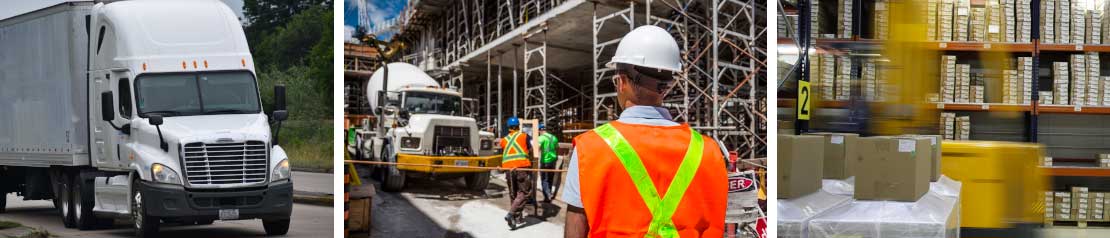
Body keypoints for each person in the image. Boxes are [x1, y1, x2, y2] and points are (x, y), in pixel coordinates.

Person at [561, 25, 730, 238]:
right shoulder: (709, 150)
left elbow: (576, 226)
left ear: (621, 82)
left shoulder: (590, 148)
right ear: (667, 86)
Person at [500, 116, 533, 230]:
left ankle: (516, 219)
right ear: (518, 126)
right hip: (521, 167)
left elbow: (505, 153)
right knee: (524, 193)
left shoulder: (504, 140)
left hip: (508, 170)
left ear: (508, 127)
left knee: (513, 194)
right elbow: (531, 150)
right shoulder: (524, 136)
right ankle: (511, 214)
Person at [537, 123, 559, 202]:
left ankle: (547, 195)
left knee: (544, 179)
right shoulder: (554, 137)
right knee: (550, 178)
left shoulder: (541, 138)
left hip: (545, 161)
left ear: (540, 130)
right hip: (553, 161)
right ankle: (548, 195)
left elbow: (538, 148)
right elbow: (557, 148)